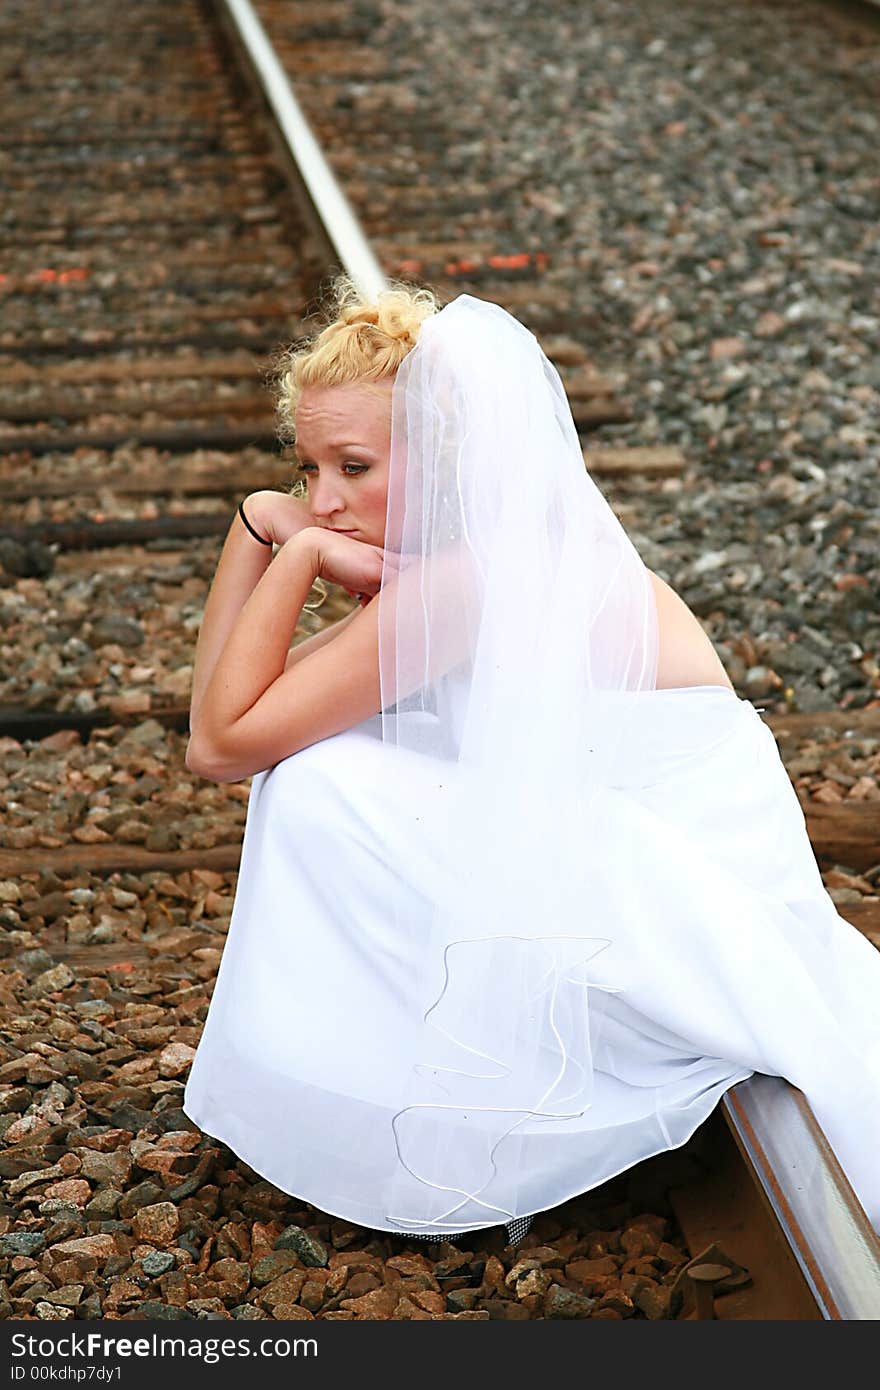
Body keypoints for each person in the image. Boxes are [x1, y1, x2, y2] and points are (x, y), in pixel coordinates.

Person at [182, 276, 880, 1247]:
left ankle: (369, 1078)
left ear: (448, 461)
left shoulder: (470, 581)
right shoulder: (462, 565)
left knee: (315, 779)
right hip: (623, 852)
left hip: (678, 878)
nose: (324, 501)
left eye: (354, 466)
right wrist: (257, 526)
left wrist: (287, 553)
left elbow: (221, 740)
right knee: (318, 757)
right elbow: (223, 715)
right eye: (306, 470)